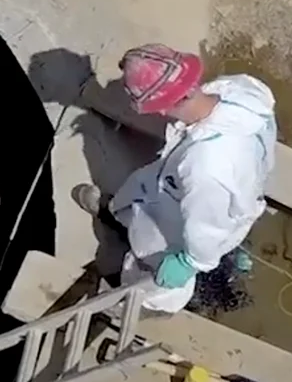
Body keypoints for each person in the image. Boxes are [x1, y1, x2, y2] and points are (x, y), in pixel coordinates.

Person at [75, 44, 277, 315]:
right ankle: (117, 214)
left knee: (153, 266)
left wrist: (190, 261)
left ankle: (141, 304)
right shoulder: (240, 91)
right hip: (197, 191)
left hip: (188, 223)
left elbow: (207, 229)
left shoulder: (206, 168)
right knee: (138, 198)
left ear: (161, 108)